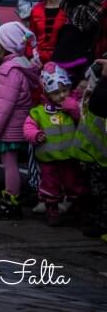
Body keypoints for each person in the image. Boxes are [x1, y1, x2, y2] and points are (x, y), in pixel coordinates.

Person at [0, 22, 41, 221]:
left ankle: (10, 202)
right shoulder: (21, 65)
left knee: (9, 164)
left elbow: (3, 106)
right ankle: (11, 200)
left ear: (5, 46)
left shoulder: (9, 71)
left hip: (8, 127)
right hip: (15, 124)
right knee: (11, 162)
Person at [25, 64, 86, 226]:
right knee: (50, 185)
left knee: (73, 183)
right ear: (47, 93)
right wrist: (35, 135)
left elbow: (82, 119)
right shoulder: (39, 111)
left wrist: (73, 108)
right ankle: (52, 209)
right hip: (49, 159)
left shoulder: (72, 107)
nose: (62, 95)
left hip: (70, 158)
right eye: (56, 93)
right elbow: (28, 127)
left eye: (65, 90)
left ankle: (78, 207)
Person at [78, 59, 107, 239]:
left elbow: (99, 105)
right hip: (97, 148)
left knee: (102, 187)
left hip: (101, 151)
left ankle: (103, 223)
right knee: (98, 187)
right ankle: (100, 221)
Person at [29, 0, 68, 65]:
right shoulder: (36, 10)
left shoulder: (69, 10)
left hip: (62, 65)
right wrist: (31, 56)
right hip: (38, 65)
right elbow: (31, 37)